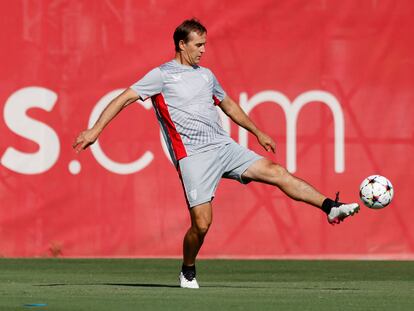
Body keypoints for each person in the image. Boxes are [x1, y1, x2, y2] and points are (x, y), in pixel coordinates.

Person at [73, 18, 360, 289]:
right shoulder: (161, 75)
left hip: (224, 147)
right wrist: (94, 130)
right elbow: (124, 99)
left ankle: (329, 207)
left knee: (277, 172)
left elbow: (228, 105)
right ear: (181, 45)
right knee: (202, 223)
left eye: (205, 44)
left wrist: (258, 132)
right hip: (193, 157)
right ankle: (187, 268)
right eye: (198, 45)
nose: (203, 50)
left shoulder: (207, 75)